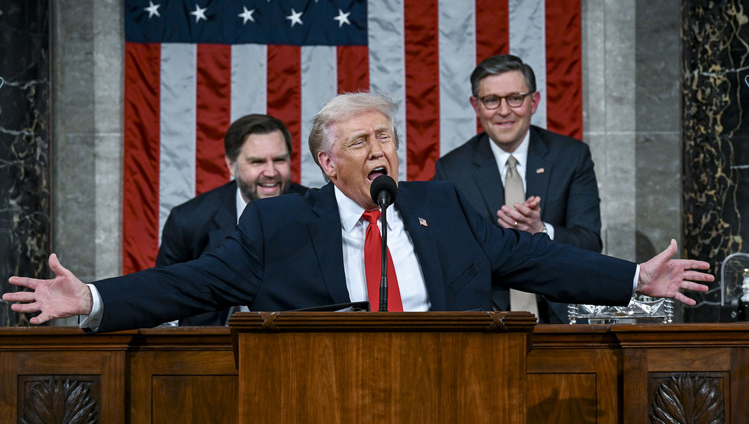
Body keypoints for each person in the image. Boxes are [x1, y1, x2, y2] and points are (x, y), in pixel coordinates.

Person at [3, 92, 713, 333]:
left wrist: (631, 280)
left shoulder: (445, 204)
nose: (382, 150)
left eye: (388, 137)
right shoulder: (278, 224)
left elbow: (535, 260)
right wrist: (93, 297)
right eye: (363, 141)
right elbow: (187, 284)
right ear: (326, 162)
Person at [434, 54, 601, 323]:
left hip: (561, 317)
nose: (503, 111)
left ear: (533, 102)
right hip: (486, 320)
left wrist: (541, 232)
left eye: (515, 98)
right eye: (491, 100)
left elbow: (591, 243)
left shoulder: (571, 157)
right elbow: (446, 257)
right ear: (475, 106)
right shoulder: (451, 170)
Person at [156, 114, 308, 326]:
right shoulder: (188, 221)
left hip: (295, 343)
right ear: (231, 165)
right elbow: (164, 298)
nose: (271, 172)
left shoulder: (317, 211)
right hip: (211, 347)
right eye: (257, 162)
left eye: (280, 160)